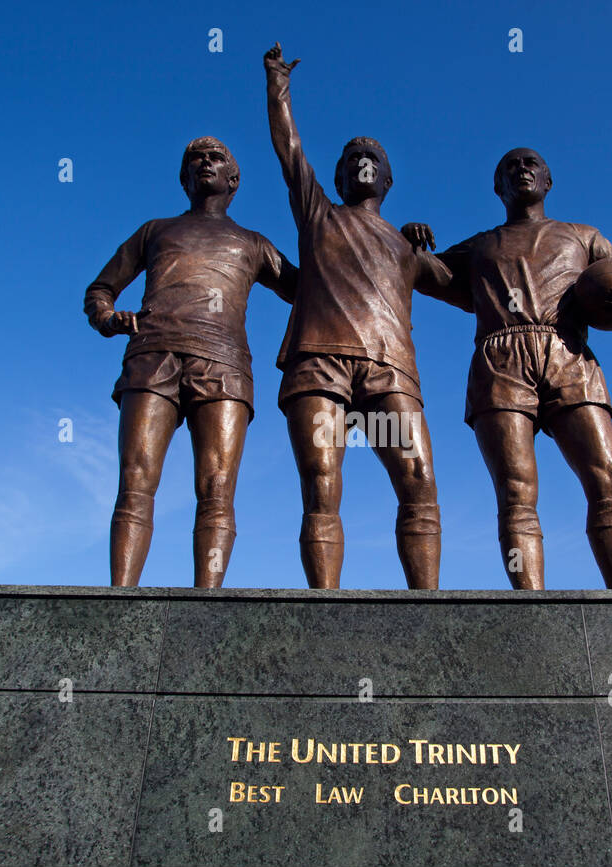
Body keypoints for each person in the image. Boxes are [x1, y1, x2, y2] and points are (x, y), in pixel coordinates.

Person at [404, 147, 612, 589]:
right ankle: (530, 608)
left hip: (567, 354)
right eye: (509, 167)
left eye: (530, 164)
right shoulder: (481, 246)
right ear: (497, 188)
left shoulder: (584, 237)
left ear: (548, 181)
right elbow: (425, 274)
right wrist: (408, 242)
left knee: (609, 479)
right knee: (516, 492)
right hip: (500, 361)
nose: (520, 169)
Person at [264, 42, 452, 589]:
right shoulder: (318, 214)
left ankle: (427, 608)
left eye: (372, 159)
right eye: (350, 161)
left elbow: (471, 286)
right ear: (340, 179)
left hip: (387, 368)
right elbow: (289, 148)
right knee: (322, 485)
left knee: (418, 480)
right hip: (320, 364)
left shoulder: (407, 246)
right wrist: (278, 83)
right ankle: (325, 605)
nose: (361, 162)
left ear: (387, 182)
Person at [84, 137, 297, 586]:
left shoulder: (253, 243)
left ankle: (208, 603)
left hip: (223, 366)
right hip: (152, 355)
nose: (205, 163)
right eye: (195, 160)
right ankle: (118, 599)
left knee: (217, 488)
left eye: (216, 158)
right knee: (136, 479)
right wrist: (107, 317)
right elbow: (100, 289)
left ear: (233, 179)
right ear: (183, 179)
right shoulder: (155, 230)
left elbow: (312, 291)